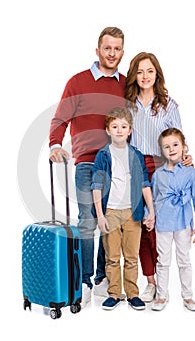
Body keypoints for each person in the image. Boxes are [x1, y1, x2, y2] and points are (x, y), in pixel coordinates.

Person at [49, 27, 126, 307]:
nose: (112, 54)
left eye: (117, 49)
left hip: (117, 164)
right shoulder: (78, 81)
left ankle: (104, 278)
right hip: (86, 162)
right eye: (107, 48)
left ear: (122, 52)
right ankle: (85, 279)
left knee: (111, 220)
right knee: (87, 220)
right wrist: (55, 145)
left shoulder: (125, 84)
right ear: (98, 51)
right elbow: (60, 119)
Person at [124, 52, 193, 302]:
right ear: (134, 75)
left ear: (157, 74)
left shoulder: (168, 105)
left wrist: (185, 156)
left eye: (150, 71)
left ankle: (166, 285)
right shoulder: (127, 104)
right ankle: (150, 281)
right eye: (140, 71)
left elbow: (179, 139)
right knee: (142, 226)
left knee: (161, 226)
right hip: (135, 167)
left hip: (162, 168)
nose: (145, 76)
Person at [91, 107, 155, 310]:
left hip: (132, 212)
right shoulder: (103, 155)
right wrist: (100, 215)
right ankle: (114, 293)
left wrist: (151, 211)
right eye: (115, 126)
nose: (119, 130)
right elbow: (97, 186)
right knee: (112, 257)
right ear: (108, 130)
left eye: (124, 126)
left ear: (130, 130)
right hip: (110, 211)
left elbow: (145, 183)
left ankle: (133, 294)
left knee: (131, 256)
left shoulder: (136, 154)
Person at [150, 128, 195, 311]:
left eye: (175, 145)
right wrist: (148, 216)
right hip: (163, 223)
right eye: (166, 147)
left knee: (184, 260)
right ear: (162, 150)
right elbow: (153, 198)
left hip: (183, 223)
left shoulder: (192, 173)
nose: (171, 149)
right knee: (163, 261)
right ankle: (162, 295)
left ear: (183, 147)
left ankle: (188, 296)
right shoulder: (158, 174)